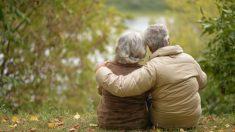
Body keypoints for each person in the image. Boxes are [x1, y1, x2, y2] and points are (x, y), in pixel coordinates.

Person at [96, 24, 207, 130]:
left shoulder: (151, 67)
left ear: (148, 47)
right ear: (168, 40)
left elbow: (121, 87)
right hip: (192, 120)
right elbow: (202, 82)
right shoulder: (189, 59)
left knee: (150, 92)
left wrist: (101, 69)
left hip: (163, 122)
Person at [96, 31, 150, 130]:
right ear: (141, 49)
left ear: (119, 47)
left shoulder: (106, 67)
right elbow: (148, 96)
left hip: (106, 121)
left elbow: (100, 91)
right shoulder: (144, 71)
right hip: (137, 123)